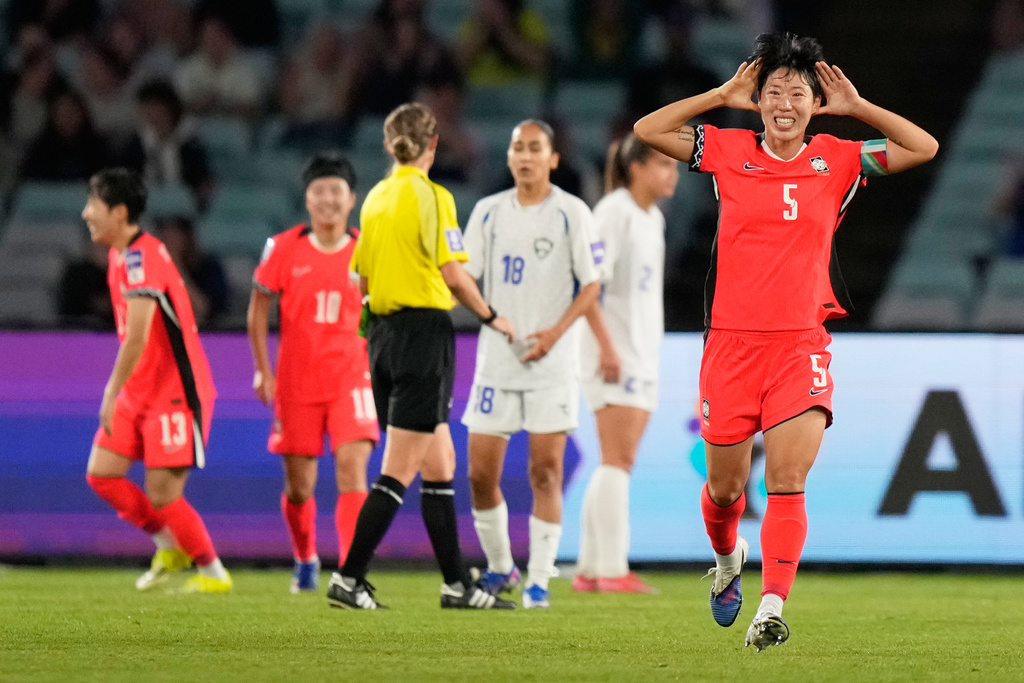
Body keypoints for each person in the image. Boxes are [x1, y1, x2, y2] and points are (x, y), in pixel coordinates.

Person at [634, 32, 938, 650]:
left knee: (788, 481)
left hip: (801, 345)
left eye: (797, 92)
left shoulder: (839, 159)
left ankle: (771, 607)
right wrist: (723, 94)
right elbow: (648, 129)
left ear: (812, 102)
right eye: (773, 90)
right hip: (730, 347)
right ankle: (727, 562)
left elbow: (923, 147)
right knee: (724, 490)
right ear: (759, 98)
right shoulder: (726, 149)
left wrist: (856, 108)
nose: (785, 102)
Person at [326, 102, 517, 610]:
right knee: (397, 471)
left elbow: (361, 280)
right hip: (422, 335)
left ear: (389, 146)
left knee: (439, 463)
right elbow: (453, 273)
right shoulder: (434, 197)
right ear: (434, 145)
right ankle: (347, 577)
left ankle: (456, 584)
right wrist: (492, 316)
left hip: (383, 336)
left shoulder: (373, 199)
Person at [461, 119, 602, 609]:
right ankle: (502, 567)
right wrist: (488, 316)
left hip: (552, 362)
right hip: (496, 361)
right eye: (517, 147)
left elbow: (592, 285)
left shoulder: (572, 213)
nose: (525, 156)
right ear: (508, 157)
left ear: (553, 158)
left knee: (545, 472)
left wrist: (556, 334)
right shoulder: (487, 213)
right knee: (480, 474)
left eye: (535, 148)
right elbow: (465, 277)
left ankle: (539, 578)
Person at [81, 167, 231, 593]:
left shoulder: (142, 257)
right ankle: (169, 545)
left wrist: (110, 390)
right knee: (102, 474)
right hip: (141, 389)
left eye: (93, 204)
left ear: (119, 211)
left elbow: (139, 335)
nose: (85, 213)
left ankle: (213, 574)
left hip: (174, 392)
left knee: (164, 493)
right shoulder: (121, 255)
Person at [247, 153, 380, 593]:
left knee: (352, 470)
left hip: (350, 379)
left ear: (351, 200)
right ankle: (305, 556)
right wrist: (263, 371)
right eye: (319, 191)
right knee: (300, 487)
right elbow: (258, 309)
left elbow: (379, 311)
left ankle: (349, 570)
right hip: (297, 382)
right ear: (307, 198)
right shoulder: (285, 247)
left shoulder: (368, 249)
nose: (327, 200)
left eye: (335, 192)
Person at [573, 133, 679, 595]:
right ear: (636, 168)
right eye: (662, 165)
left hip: (639, 349)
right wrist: (607, 349)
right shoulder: (613, 212)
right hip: (613, 352)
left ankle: (591, 568)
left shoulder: (650, 217)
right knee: (618, 458)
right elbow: (587, 284)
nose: (672, 174)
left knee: (615, 462)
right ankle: (612, 569)